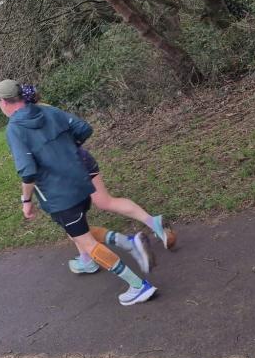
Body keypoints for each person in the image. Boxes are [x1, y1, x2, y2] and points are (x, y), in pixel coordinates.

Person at [0, 79, 156, 306]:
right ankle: (128, 242)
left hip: (59, 195)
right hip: (81, 181)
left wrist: (26, 200)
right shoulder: (47, 111)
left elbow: (27, 171)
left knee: (87, 243)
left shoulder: (15, 129)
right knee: (78, 233)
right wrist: (67, 150)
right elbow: (83, 129)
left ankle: (138, 286)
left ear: (4, 102)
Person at [15, 84, 172, 268]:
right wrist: (74, 146)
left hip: (65, 171)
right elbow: (82, 128)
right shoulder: (50, 110)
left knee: (70, 217)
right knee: (104, 202)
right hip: (83, 160)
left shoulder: (25, 124)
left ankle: (91, 259)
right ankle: (153, 223)